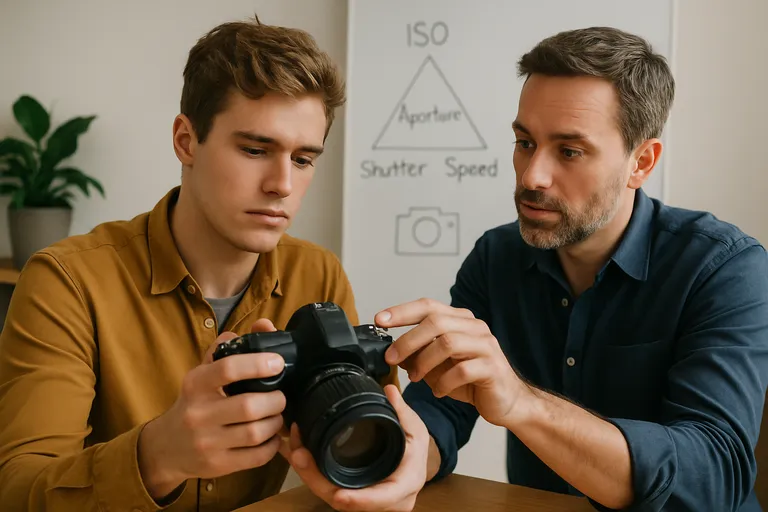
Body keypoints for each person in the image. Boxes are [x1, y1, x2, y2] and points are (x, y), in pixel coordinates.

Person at [0, 16, 429, 512]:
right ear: (186, 141)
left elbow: (363, 437)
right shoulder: (67, 282)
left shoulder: (319, 275)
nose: (282, 185)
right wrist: (158, 455)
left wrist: (401, 470)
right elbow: (16, 493)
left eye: (304, 159)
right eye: (254, 149)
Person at [375, 26, 768, 512]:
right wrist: (397, 466)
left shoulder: (724, 267)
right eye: (524, 142)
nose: (532, 176)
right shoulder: (496, 257)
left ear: (641, 162)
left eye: (569, 151)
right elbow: (441, 408)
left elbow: (714, 476)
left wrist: (522, 404)